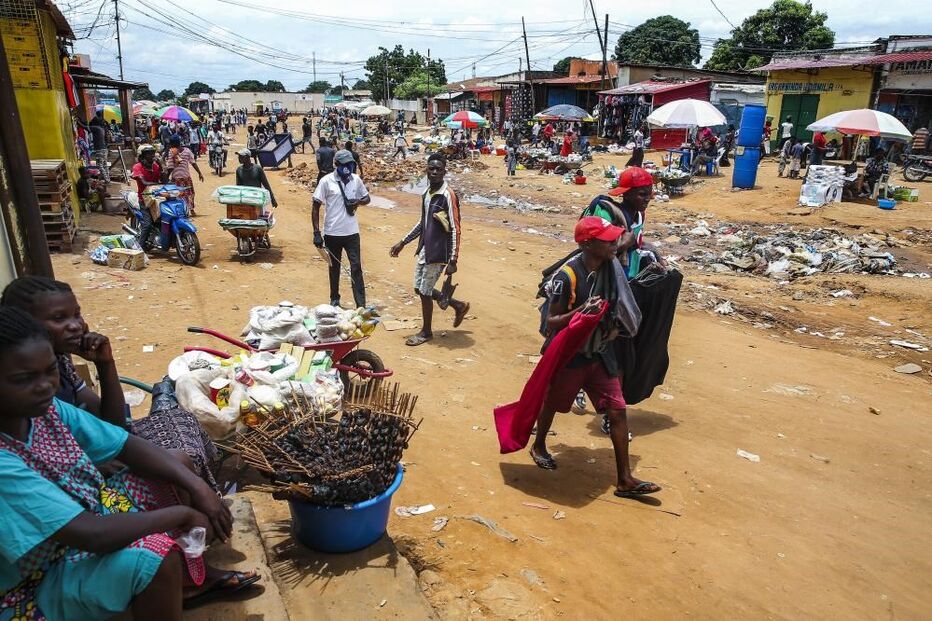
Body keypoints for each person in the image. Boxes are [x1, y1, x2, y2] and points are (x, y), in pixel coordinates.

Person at [529, 217, 660, 499]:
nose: (615, 244)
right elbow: (552, 320)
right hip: (571, 355)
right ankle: (539, 444)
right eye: (607, 240)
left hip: (600, 351)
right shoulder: (568, 277)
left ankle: (625, 478)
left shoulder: (610, 269)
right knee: (553, 401)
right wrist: (580, 313)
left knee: (617, 409)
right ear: (587, 244)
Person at [390, 153, 470, 346]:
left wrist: (453, 260)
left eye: (438, 169)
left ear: (444, 171)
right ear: (426, 169)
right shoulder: (427, 193)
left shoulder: (448, 195)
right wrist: (403, 242)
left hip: (439, 251)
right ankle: (458, 305)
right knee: (419, 288)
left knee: (425, 292)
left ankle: (426, 332)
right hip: (426, 248)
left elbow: (456, 228)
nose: (434, 172)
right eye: (431, 168)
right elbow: (423, 222)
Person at [312, 149, 371, 308]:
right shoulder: (326, 181)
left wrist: (357, 202)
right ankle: (335, 298)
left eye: (350, 164)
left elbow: (367, 198)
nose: (348, 167)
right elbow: (316, 206)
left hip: (352, 233)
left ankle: (360, 304)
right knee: (334, 267)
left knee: (356, 267)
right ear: (336, 164)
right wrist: (317, 233)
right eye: (344, 164)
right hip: (332, 233)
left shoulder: (356, 179)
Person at [130, 145, 162, 244]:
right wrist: (159, 184)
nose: (152, 156)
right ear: (143, 156)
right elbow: (143, 182)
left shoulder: (155, 166)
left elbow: (164, 179)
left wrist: (161, 166)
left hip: (157, 197)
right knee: (147, 225)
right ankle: (141, 247)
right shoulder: (137, 167)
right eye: (149, 154)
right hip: (144, 199)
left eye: (153, 153)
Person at [167, 135, 203, 215]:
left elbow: (170, 167)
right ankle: (191, 210)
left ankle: (181, 211)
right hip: (186, 177)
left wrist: (166, 177)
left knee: (178, 194)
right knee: (190, 193)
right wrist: (199, 173)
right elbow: (193, 162)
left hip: (176, 178)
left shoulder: (171, 152)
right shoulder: (187, 151)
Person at [89, 111, 110, 184]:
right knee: (104, 165)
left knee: (100, 165)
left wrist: (78, 122)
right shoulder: (102, 128)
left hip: (99, 149)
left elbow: (86, 127)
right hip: (104, 148)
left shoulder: (95, 128)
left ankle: (106, 180)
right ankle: (107, 179)